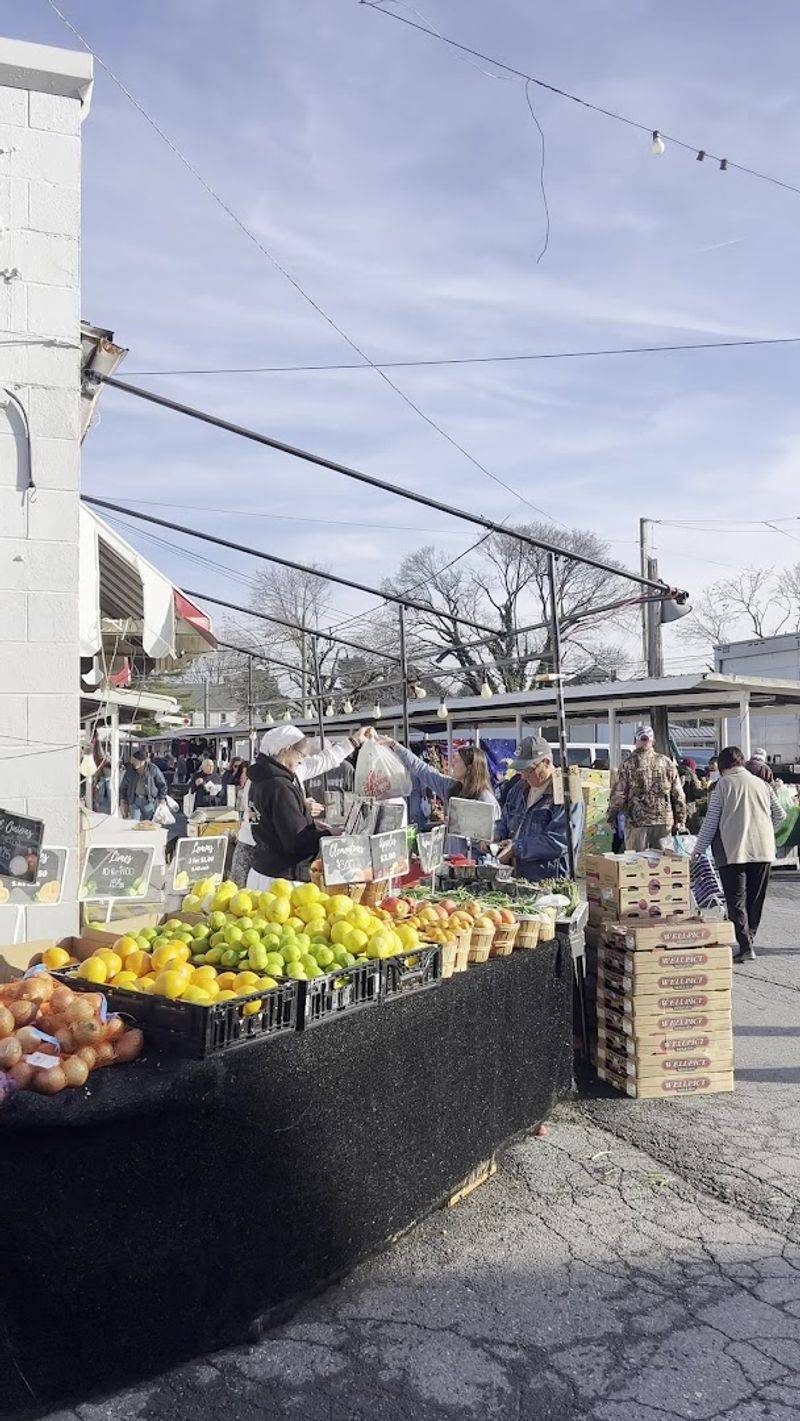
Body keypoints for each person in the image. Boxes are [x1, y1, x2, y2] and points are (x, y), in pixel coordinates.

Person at [236, 724, 374, 888]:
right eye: (301, 753)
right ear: (287, 749)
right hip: (282, 879)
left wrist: (305, 819)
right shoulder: (280, 786)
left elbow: (323, 761)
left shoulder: (260, 777)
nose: (302, 758)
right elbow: (296, 841)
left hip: (263, 868)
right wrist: (329, 833)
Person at [692, 745, 785, 962]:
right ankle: (749, 940)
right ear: (741, 762)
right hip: (763, 850)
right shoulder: (762, 784)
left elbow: (711, 823)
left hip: (733, 851)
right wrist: (764, 828)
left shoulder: (722, 786)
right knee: (755, 899)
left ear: (722, 766)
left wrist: (697, 850)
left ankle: (745, 945)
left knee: (736, 901)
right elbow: (780, 814)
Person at [380, 739, 499, 855]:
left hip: (474, 867)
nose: (451, 764)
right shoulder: (451, 787)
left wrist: (461, 826)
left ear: (469, 769)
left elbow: (491, 841)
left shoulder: (485, 799)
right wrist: (394, 745)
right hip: (451, 862)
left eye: (457, 761)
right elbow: (422, 769)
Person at [495, 737, 582, 883]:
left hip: (550, 881)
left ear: (547, 763)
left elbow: (560, 841)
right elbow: (504, 819)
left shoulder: (567, 791)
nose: (523, 776)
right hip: (517, 876)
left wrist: (516, 848)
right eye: (520, 770)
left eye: (528, 770)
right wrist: (495, 835)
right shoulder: (519, 788)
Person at [607, 723, 686, 850]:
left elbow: (619, 795)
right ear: (653, 741)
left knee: (637, 862)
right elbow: (678, 794)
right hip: (663, 820)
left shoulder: (628, 764)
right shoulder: (666, 762)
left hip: (637, 821)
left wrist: (611, 816)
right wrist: (681, 818)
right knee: (663, 863)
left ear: (635, 741)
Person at [119, 749, 168, 821]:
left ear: (143, 761)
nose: (134, 763)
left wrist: (162, 798)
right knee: (133, 823)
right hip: (134, 800)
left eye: (136, 761)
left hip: (148, 801)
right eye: (133, 760)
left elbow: (162, 784)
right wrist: (122, 799)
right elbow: (124, 786)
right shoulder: (130, 770)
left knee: (148, 824)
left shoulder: (153, 769)